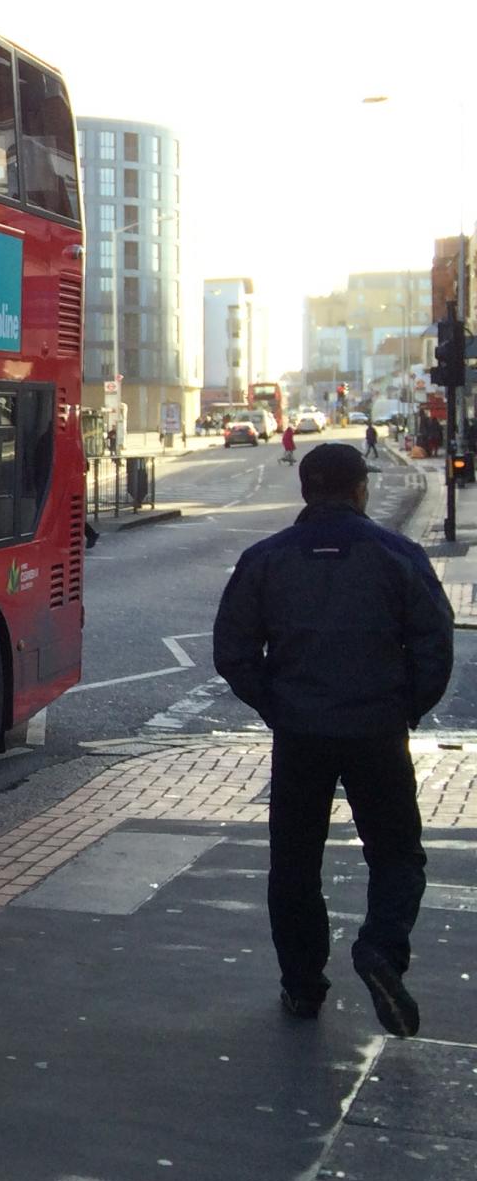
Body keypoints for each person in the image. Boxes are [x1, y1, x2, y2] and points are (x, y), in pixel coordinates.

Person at [212, 442, 450, 1036]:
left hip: (300, 736)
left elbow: (233, 651)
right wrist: (406, 708)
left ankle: (302, 987)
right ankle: (380, 949)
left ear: (305, 491)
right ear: (360, 489)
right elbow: (434, 644)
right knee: (397, 855)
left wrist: (277, 705)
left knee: (294, 864)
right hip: (376, 731)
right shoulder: (398, 555)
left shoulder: (266, 559)